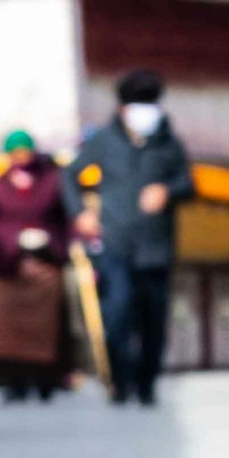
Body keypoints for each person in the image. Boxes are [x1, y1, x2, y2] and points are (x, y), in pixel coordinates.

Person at [73, 68, 193, 407]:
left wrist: (167, 191)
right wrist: (81, 213)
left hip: (156, 246)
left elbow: (189, 184)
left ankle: (147, 383)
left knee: (153, 320)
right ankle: (120, 381)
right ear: (124, 108)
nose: (147, 111)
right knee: (117, 315)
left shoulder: (169, 143)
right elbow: (70, 175)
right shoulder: (103, 141)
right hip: (115, 243)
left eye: (151, 103)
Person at [0, 130, 77, 401]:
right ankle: (12, 380)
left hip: (46, 261)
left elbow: (66, 218)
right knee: (9, 330)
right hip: (8, 264)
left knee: (45, 328)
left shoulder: (52, 181)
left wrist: (59, 245)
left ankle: (46, 378)